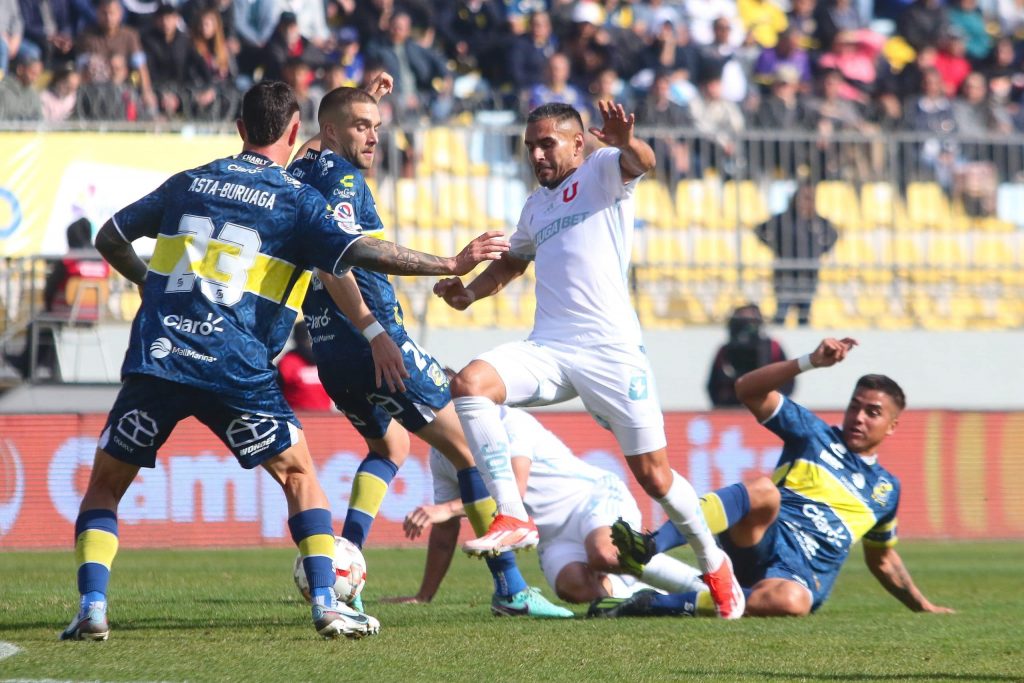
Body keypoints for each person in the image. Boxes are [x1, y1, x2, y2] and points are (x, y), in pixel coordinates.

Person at [59, 79, 508, 642]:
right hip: (236, 366)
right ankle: (327, 604)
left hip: (161, 357)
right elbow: (360, 251)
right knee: (299, 477)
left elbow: (109, 237)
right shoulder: (295, 199)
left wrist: (151, 283)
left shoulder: (187, 182)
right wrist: (449, 262)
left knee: (106, 484)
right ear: (296, 130)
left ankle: (92, 607)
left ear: (239, 128)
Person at [433, 101, 746, 619]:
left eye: (547, 143)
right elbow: (513, 262)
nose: (537, 154)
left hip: (611, 351)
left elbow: (642, 161)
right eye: (530, 146)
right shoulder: (535, 206)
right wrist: (468, 294)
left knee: (655, 477)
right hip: (551, 348)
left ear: (578, 144)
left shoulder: (602, 170)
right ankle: (513, 515)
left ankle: (714, 563)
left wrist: (626, 141)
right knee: (470, 384)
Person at [285, 83, 569, 618]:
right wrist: (378, 331)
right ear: (333, 131)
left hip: (329, 348)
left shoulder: (302, 170)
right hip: (373, 341)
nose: (375, 137)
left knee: (390, 447)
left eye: (377, 126)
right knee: (471, 451)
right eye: (363, 127)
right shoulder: (344, 180)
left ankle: (347, 567)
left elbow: (316, 149)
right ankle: (511, 589)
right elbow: (336, 260)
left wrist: (356, 104)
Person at [596, 338, 956, 618]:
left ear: (892, 426)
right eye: (854, 406)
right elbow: (747, 390)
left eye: (873, 412)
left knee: (793, 601)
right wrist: (809, 362)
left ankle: (654, 604)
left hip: (798, 577)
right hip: (760, 542)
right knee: (764, 490)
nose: (859, 417)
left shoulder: (886, 491)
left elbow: (883, 559)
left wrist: (922, 605)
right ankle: (650, 546)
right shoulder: (814, 435)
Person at [391, 403, 726, 609]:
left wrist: (447, 509)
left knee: (604, 554)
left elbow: (515, 491)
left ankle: (706, 583)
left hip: (591, 499)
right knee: (573, 588)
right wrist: (424, 595)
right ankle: (648, 596)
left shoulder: (508, 422)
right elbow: (445, 534)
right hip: (553, 536)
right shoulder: (442, 455)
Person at [754, 183, 838, 327]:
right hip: (786, 273)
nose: (807, 202)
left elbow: (833, 235)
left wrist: (819, 251)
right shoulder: (783, 219)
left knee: (804, 314)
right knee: (781, 312)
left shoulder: (818, 221)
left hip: (808, 273)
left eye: (811, 199)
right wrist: (775, 247)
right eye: (805, 198)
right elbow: (760, 230)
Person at [707, 304, 791, 408]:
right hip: (733, 407)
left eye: (751, 321)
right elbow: (713, 383)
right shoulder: (724, 350)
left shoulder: (773, 347)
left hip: (765, 406)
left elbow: (787, 379)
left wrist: (775, 402)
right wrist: (723, 404)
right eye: (741, 320)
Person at [277, 320, 332, 411]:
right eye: (308, 340)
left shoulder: (325, 362)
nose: (311, 345)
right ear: (299, 341)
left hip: (325, 416)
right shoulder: (288, 363)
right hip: (298, 416)